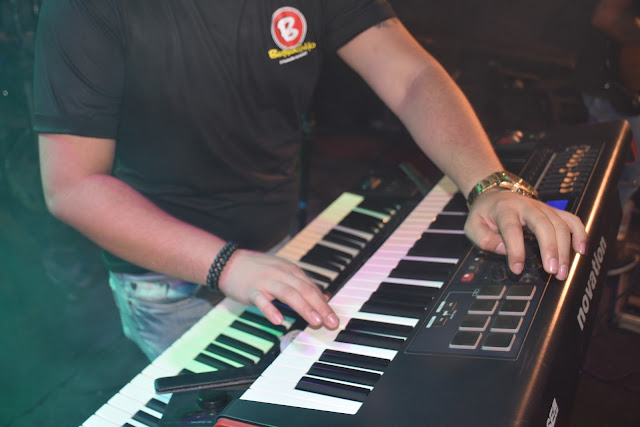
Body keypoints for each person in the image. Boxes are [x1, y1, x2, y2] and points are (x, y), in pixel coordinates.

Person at [32, 0, 587, 361]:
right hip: (172, 278)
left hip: (281, 245)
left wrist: (489, 183)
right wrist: (226, 264)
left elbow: (410, 73)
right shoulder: (86, 9)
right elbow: (73, 186)